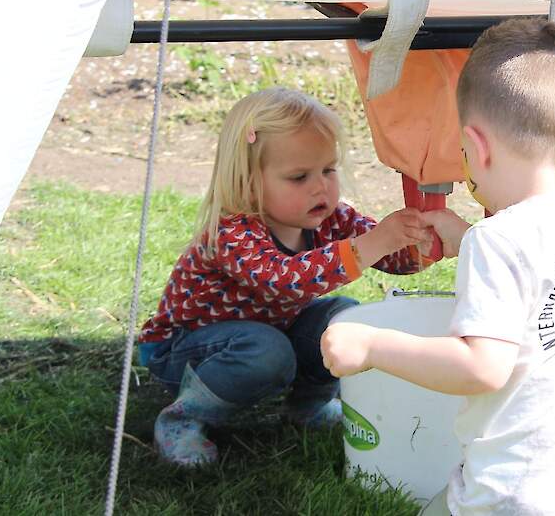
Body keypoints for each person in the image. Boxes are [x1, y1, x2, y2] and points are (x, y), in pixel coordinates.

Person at [321, 18, 555, 515]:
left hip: (519, 493)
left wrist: (371, 345)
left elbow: (482, 366)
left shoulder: (496, 241)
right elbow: (538, 282)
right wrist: (467, 238)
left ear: (477, 147)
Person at [136, 87, 434, 467]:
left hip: (269, 336)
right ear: (248, 181)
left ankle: (308, 407)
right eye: (298, 176)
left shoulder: (331, 218)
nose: (320, 186)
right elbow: (284, 279)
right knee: (265, 350)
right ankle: (184, 418)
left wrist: (423, 244)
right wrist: (373, 242)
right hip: (187, 349)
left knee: (344, 318)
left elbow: (392, 258)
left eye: (328, 169)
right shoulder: (231, 231)